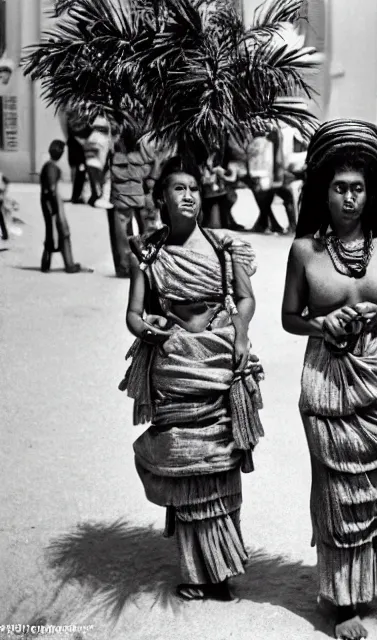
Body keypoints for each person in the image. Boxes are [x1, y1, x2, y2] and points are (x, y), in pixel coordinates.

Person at [281, 120, 377, 640]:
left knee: (374, 486)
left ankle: (366, 585)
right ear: (323, 190)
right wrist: (323, 322)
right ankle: (341, 601)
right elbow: (290, 317)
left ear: (371, 192)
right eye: (339, 187)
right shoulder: (304, 251)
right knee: (336, 488)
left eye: (358, 188)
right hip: (328, 381)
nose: (349, 198)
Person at [119, 156, 264, 601]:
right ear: (160, 197)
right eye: (178, 188)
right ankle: (193, 571)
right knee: (184, 464)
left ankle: (222, 570)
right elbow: (133, 313)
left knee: (220, 463)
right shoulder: (150, 253)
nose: (188, 195)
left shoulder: (224, 248)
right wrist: (149, 330)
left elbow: (245, 299)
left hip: (218, 360)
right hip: (175, 365)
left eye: (194, 189)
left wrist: (240, 334)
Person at [108, 128, 161, 278]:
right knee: (147, 229)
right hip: (140, 194)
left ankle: (125, 266)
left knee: (123, 232)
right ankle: (148, 261)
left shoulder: (115, 154)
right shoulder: (142, 153)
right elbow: (150, 170)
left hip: (120, 197)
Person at [39, 140, 92, 274]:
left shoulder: (48, 165)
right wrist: (55, 209)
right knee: (63, 233)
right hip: (54, 202)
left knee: (53, 234)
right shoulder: (52, 168)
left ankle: (49, 264)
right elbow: (51, 189)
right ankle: (69, 264)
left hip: (50, 202)